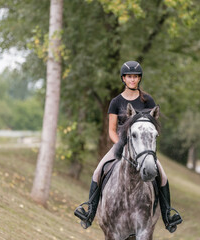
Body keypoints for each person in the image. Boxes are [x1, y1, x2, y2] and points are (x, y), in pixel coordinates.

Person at [75, 60, 182, 233]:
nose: (132, 80)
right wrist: (120, 143)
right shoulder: (116, 102)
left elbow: (151, 126)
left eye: (136, 77)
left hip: (142, 148)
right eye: (129, 77)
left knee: (162, 176)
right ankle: (89, 212)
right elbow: (111, 129)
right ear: (123, 78)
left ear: (139, 79)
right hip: (121, 145)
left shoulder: (147, 100)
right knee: (98, 171)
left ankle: (168, 215)